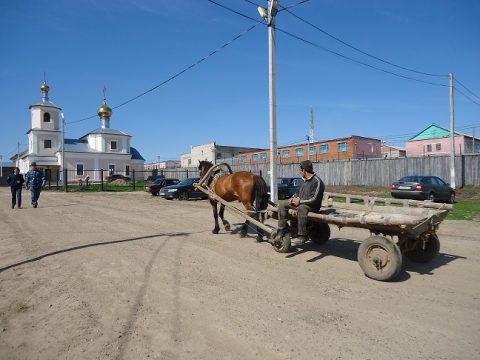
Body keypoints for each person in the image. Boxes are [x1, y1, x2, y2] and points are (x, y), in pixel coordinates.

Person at [276, 160, 325, 246]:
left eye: (300, 170)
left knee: (302, 208)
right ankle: (282, 229)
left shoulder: (317, 181)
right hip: (300, 203)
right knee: (282, 204)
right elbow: (298, 192)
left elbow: (315, 199)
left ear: (304, 170)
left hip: (312, 206)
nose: (299, 172)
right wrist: (292, 198)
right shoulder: (303, 180)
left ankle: (303, 235)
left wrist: (300, 201)